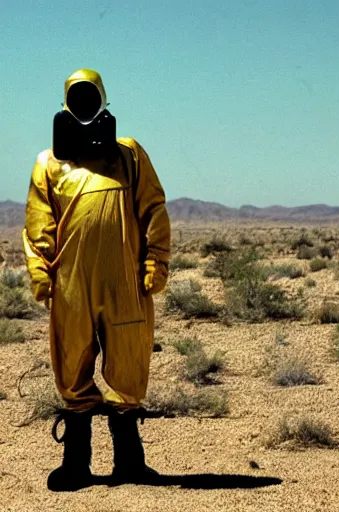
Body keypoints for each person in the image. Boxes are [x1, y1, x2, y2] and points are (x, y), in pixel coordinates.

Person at [23, 69, 171, 491]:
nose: (84, 103)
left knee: (128, 366)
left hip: (126, 282)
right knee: (73, 364)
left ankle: (129, 462)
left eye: (91, 96)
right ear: (67, 101)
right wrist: (41, 271)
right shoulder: (48, 163)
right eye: (77, 96)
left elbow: (153, 209)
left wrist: (155, 262)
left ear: (103, 99)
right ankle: (77, 464)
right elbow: (39, 224)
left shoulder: (129, 155)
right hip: (72, 286)